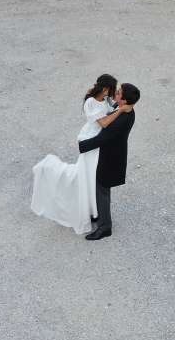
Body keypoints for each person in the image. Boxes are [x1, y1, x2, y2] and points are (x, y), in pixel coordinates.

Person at [30, 75, 130, 235]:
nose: (113, 94)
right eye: (112, 90)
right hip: (92, 141)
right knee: (85, 176)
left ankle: (94, 211)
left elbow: (112, 109)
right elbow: (104, 123)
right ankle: (49, 169)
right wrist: (121, 111)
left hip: (99, 144)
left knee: (92, 179)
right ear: (105, 89)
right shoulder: (90, 103)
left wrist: (119, 108)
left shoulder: (105, 99)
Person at [77, 82, 139, 241]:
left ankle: (105, 227)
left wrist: (82, 145)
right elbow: (112, 106)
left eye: (118, 93)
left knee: (102, 190)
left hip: (110, 159)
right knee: (101, 190)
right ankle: (100, 217)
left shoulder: (120, 120)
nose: (115, 94)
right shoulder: (127, 110)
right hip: (112, 156)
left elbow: (103, 138)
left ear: (124, 101)